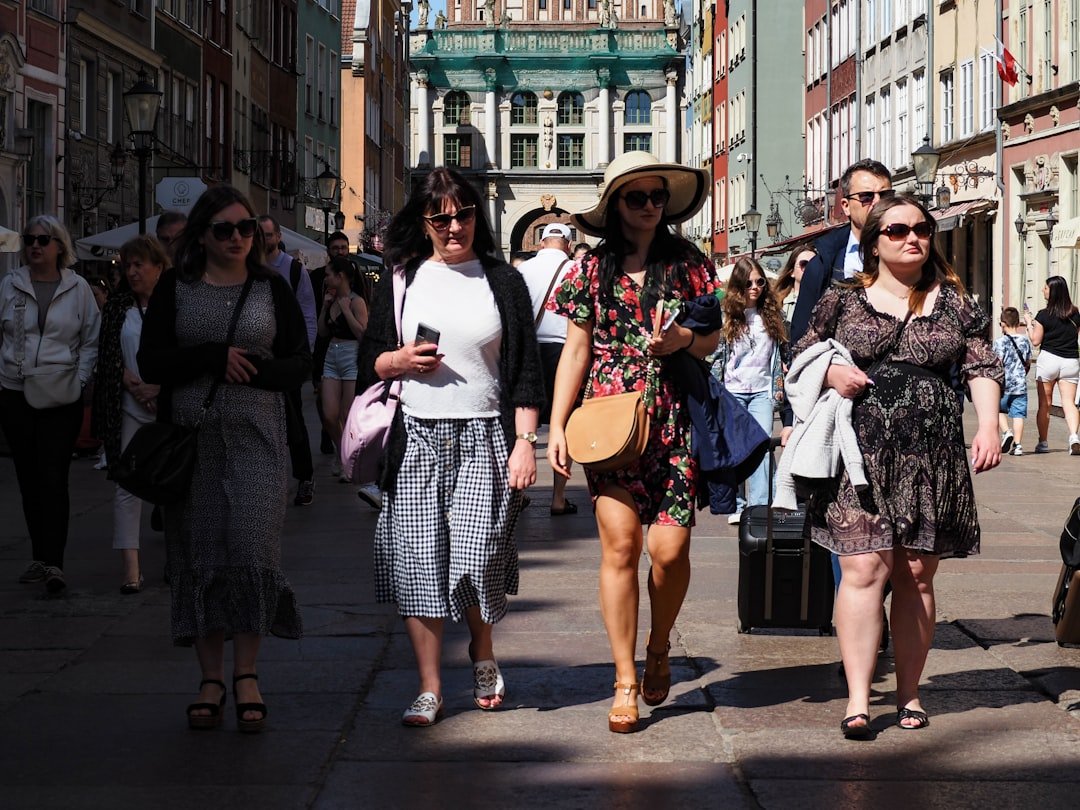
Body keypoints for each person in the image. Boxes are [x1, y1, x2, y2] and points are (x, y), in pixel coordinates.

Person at [793, 195, 1003, 738]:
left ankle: (909, 694)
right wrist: (832, 375)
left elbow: (980, 363)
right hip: (859, 455)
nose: (912, 238)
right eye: (898, 230)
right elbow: (802, 359)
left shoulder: (956, 302)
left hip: (931, 455)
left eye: (922, 229)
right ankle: (859, 699)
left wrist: (987, 424)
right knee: (863, 568)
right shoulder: (843, 300)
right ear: (874, 243)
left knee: (915, 573)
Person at [357, 167, 543, 727]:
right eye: (441, 217)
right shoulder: (401, 278)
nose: (454, 226)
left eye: (463, 214)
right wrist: (397, 361)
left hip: (485, 435)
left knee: (477, 558)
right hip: (415, 437)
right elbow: (372, 355)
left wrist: (525, 441)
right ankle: (430, 687)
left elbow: (526, 371)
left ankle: (482, 648)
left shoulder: (503, 281)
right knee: (418, 564)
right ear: (424, 221)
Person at [546, 151, 719, 733]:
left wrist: (680, 343)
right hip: (608, 420)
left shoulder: (689, 263)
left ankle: (660, 643)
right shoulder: (588, 271)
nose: (648, 207)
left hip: (674, 419)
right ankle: (623, 679)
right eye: (636, 197)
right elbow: (575, 351)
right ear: (615, 206)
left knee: (669, 552)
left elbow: (712, 337)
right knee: (619, 547)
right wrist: (556, 425)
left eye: (656, 198)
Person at [138, 185, 309, 732]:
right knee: (201, 554)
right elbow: (152, 360)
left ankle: (247, 672)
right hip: (195, 443)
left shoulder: (271, 287)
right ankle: (210, 676)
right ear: (202, 235)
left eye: (247, 229)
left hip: (258, 439)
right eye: (225, 229)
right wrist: (213, 358)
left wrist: (254, 370)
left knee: (254, 550)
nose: (238, 238)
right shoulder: (176, 288)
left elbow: (300, 361)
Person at [0, 216, 100, 595]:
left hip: (61, 395)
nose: (35, 246)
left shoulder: (78, 289)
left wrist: (81, 378)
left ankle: (54, 562)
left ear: (60, 245)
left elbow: (91, 337)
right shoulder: (10, 285)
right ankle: (40, 556)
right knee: (28, 478)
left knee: (53, 476)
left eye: (43, 240)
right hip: (15, 392)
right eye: (29, 240)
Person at [91, 235, 167, 593]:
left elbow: (187, 355)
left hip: (169, 408)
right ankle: (131, 570)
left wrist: (159, 388)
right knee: (127, 486)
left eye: (139, 265)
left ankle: (177, 560)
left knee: (173, 485)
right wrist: (133, 384)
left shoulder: (175, 306)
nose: (132, 272)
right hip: (129, 405)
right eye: (127, 265)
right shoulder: (119, 307)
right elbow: (108, 353)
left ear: (158, 267)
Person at [713, 257, 788, 524]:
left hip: (761, 391)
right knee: (735, 449)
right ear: (738, 285)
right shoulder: (727, 316)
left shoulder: (772, 315)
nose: (754, 287)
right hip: (732, 391)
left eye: (759, 282)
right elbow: (716, 357)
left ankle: (758, 506)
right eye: (748, 283)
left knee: (762, 447)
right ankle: (737, 504)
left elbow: (780, 355)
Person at [790, 159, 893, 343]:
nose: (877, 203)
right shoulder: (822, 264)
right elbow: (800, 337)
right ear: (845, 206)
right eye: (866, 197)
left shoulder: (912, 253)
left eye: (885, 195)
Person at [517, 222, 577, 515]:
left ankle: (520, 492)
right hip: (566, 353)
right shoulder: (575, 271)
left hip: (529, 351)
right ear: (566, 244)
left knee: (524, 426)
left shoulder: (523, 270)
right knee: (563, 426)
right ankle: (558, 496)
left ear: (541, 243)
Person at [258, 215, 317, 504]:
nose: (264, 240)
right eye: (260, 235)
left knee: (294, 419)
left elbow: (308, 313)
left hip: (287, 357)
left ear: (279, 236)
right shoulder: (249, 268)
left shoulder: (294, 271)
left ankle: (304, 477)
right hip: (257, 357)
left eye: (269, 235)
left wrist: (305, 355)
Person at [317, 255, 369, 480]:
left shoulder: (357, 301)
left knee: (347, 415)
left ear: (340, 277)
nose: (325, 278)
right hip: (332, 354)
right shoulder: (330, 298)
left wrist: (346, 310)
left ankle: (349, 459)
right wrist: (325, 307)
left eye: (329, 274)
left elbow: (362, 334)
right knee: (328, 415)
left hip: (351, 356)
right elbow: (322, 332)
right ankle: (342, 451)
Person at [1022, 276, 1080, 454]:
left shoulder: (1043, 315)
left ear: (1052, 291)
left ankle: (1043, 442)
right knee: (1069, 403)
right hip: (1070, 361)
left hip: (1049, 360)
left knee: (1044, 404)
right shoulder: (1075, 313)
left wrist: (1029, 324)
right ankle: (1074, 437)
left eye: (1045, 288)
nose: (1042, 290)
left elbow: (1036, 341)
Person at [994, 307, 1033, 456]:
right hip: (1020, 386)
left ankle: (1006, 432)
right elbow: (1027, 362)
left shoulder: (999, 342)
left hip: (1004, 385)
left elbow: (997, 363)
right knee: (1018, 415)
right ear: (1018, 323)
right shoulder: (1024, 341)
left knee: (996, 409)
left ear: (1003, 324)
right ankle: (1018, 445)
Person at [776, 243, 816, 323]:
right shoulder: (778, 303)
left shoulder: (825, 300)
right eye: (804, 264)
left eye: (814, 263)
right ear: (792, 272)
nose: (809, 268)